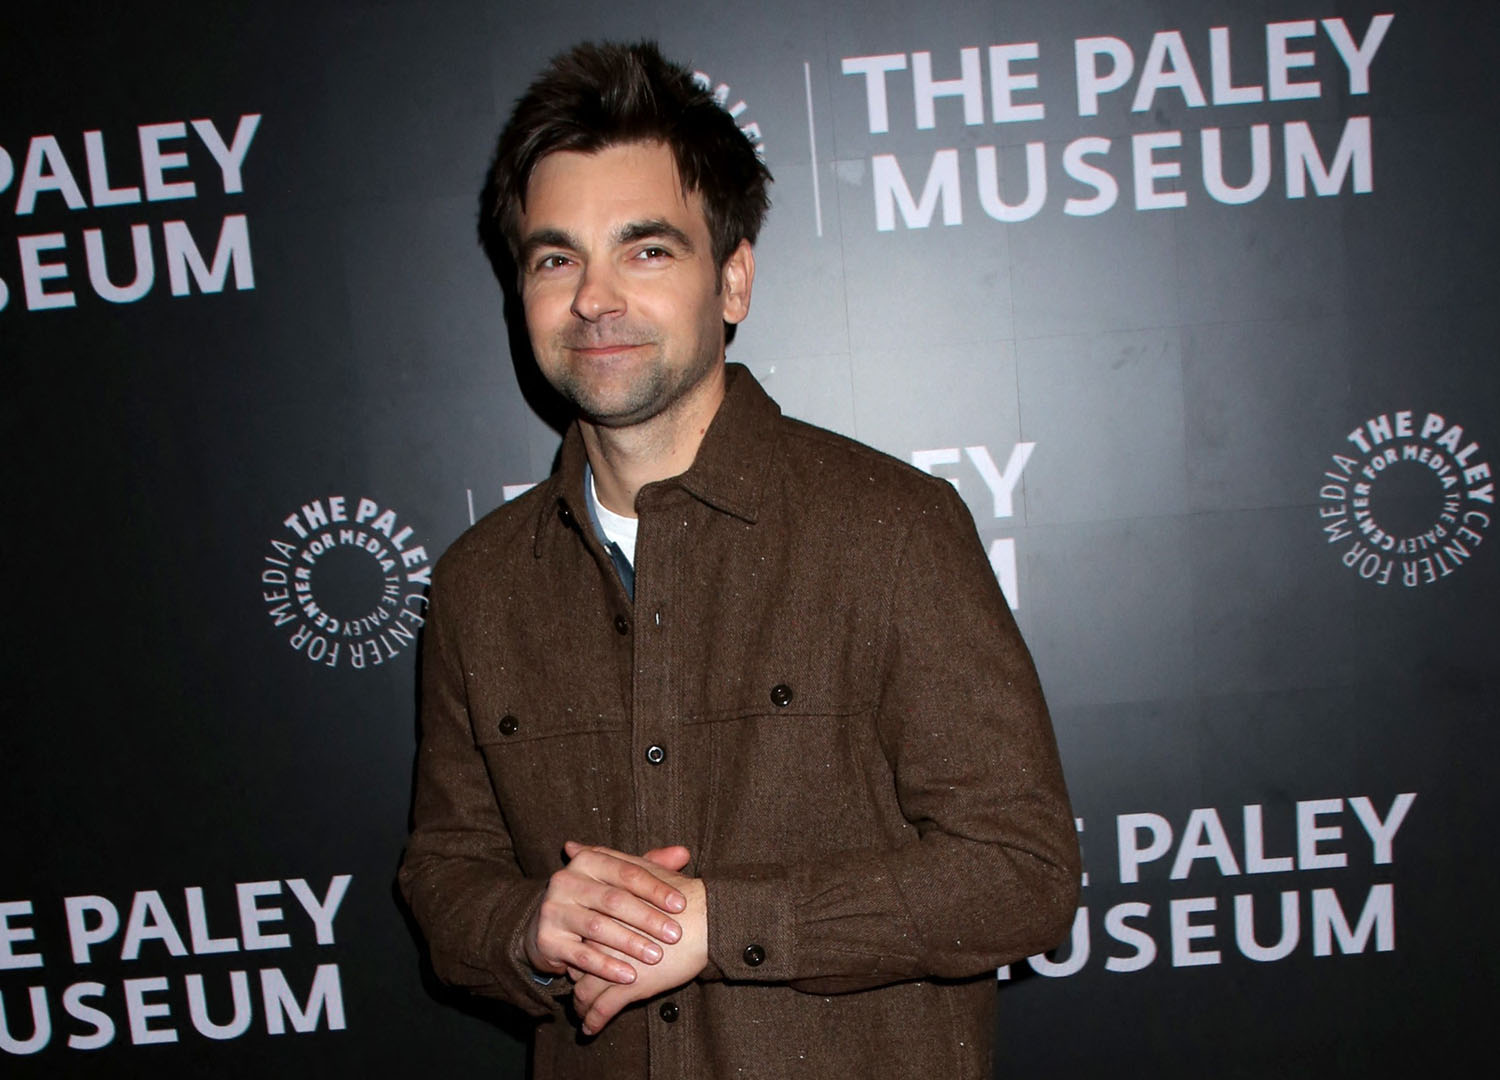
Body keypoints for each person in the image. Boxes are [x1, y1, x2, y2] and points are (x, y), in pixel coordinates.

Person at [398, 39, 1081, 1079]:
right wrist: (528, 926)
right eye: (555, 259)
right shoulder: (477, 588)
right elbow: (446, 877)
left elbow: (1022, 876)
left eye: (646, 251)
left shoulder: (890, 531)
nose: (594, 298)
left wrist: (723, 926)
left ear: (732, 279)